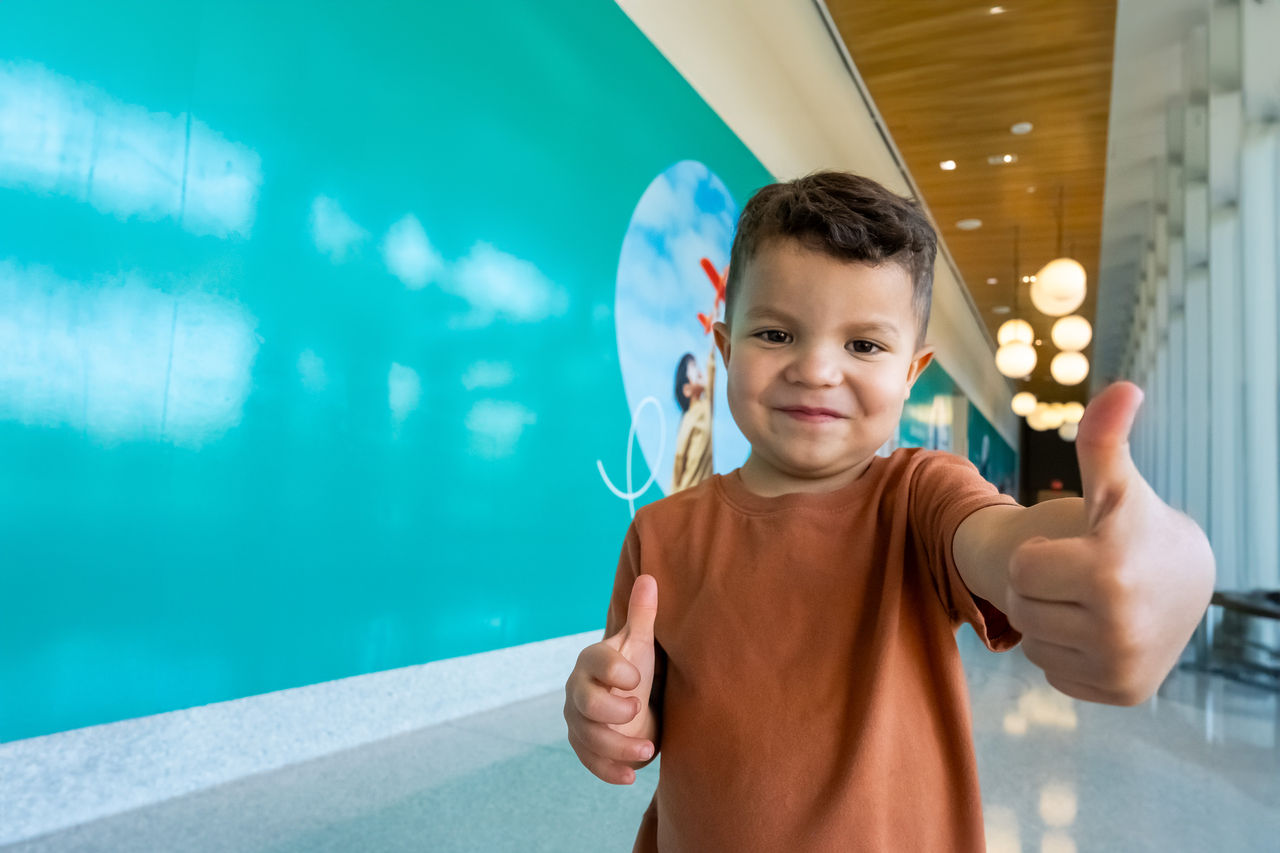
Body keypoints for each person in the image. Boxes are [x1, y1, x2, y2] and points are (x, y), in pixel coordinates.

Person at [564, 172, 1215, 851]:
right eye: (776, 334)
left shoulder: (920, 497)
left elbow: (1007, 538)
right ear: (725, 351)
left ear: (911, 373)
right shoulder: (659, 533)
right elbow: (640, 716)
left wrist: (1169, 561)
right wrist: (611, 712)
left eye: (864, 345)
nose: (817, 370)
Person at [670, 347, 714, 493]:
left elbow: (711, 367)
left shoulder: (706, 406)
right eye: (694, 367)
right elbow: (679, 461)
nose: (700, 370)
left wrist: (714, 339)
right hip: (686, 495)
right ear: (687, 389)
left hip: (704, 497)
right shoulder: (688, 419)